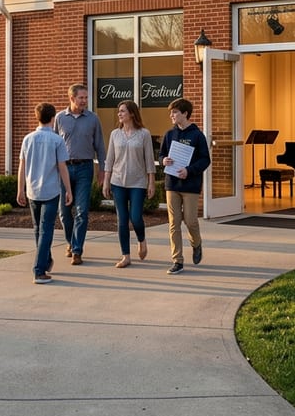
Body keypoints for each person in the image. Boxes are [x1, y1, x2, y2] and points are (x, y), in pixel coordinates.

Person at [16, 102, 73, 285]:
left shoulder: (28, 139)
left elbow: (22, 166)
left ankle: (46, 261)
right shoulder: (57, 140)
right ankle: (39, 270)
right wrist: (68, 189)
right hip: (51, 190)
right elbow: (62, 167)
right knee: (46, 229)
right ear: (53, 118)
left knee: (38, 229)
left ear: (37, 117)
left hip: (32, 190)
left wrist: (20, 189)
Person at [54, 83, 106, 265]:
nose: (84, 101)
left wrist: (102, 170)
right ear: (72, 98)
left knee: (82, 211)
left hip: (85, 168)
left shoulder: (93, 119)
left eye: (86, 98)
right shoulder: (60, 118)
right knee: (64, 212)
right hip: (64, 169)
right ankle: (70, 241)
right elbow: (54, 144)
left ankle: (77, 250)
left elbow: (100, 146)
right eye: (81, 98)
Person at [158, 98, 210, 275]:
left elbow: (205, 160)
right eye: (171, 113)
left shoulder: (197, 136)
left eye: (175, 112)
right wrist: (163, 161)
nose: (171, 115)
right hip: (172, 184)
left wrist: (189, 170)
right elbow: (161, 155)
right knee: (174, 223)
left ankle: (196, 244)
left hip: (190, 185)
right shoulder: (169, 134)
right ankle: (177, 260)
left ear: (185, 113)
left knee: (190, 221)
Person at [102, 100, 155, 268]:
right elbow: (110, 159)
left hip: (138, 182)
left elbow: (149, 160)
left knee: (136, 217)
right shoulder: (115, 134)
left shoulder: (144, 134)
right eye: (119, 111)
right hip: (117, 181)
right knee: (122, 220)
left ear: (132, 113)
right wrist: (106, 182)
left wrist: (151, 183)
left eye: (123, 111)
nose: (119, 114)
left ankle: (141, 240)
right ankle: (126, 256)